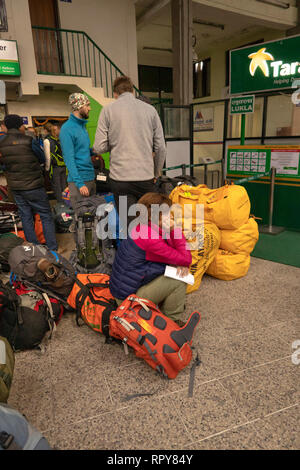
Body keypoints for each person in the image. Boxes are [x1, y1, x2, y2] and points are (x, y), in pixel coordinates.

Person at [93, 76, 166, 231]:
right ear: (132, 91)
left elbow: (99, 147)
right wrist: (156, 172)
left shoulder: (108, 110)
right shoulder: (150, 110)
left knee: (129, 226)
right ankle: (150, 252)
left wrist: (116, 143)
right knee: (150, 223)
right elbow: (160, 147)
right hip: (145, 178)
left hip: (120, 179)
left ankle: (132, 253)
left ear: (115, 94)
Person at [109, 192, 192, 325]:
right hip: (128, 299)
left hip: (123, 289)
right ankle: (171, 323)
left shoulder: (143, 227)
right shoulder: (150, 238)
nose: (170, 216)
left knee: (178, 268)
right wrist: (175, 230)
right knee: (180, 278)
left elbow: (175, 253)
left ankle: (163, 307)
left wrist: (179, 261)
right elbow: (186, 259)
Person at [0, 114, 58, 251]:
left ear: (6, 126)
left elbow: (3, 164)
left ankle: (34, 249)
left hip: (16, 187)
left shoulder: (1, 142)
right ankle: (52, 248)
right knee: (45, 215)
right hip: (34, 185)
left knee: (25, 216)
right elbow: (42, 158)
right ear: (20, 125)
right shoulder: (28, 140)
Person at [60, 93, 96, 212]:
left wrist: (94, 151)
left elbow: (82, 151)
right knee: (82, 221)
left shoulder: (82, 127)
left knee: (94, 219)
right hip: (79, 182)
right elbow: (69, 159)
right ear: (79, 106)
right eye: (87, 105)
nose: (89, 108)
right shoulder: (67, 129)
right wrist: (80, 183)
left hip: (90, 178)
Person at [44, 122, 68, 203]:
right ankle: (67, 203)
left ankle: (61, 205)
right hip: (64, 166)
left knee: (57, 187)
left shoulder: (47, 140)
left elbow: (48, 157)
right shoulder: (63, 139)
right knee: (64, 186)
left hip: (54, 167)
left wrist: (47, 169)